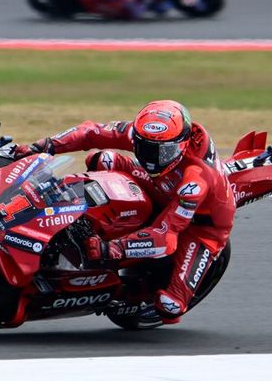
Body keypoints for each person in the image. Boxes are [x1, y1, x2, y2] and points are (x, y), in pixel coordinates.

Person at [13, 100, 235, 324]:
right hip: (160, 187)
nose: (152, 158)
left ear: (182, 144)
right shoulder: (142, 134)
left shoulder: (195, 180)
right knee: (103, 159)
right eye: (145, 148)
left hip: (199, 225)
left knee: (171, 306)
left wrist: (111, 249)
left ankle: (128, 291)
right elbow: (90, 132)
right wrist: (41, 147)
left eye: (163, 152)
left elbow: (164, 236)